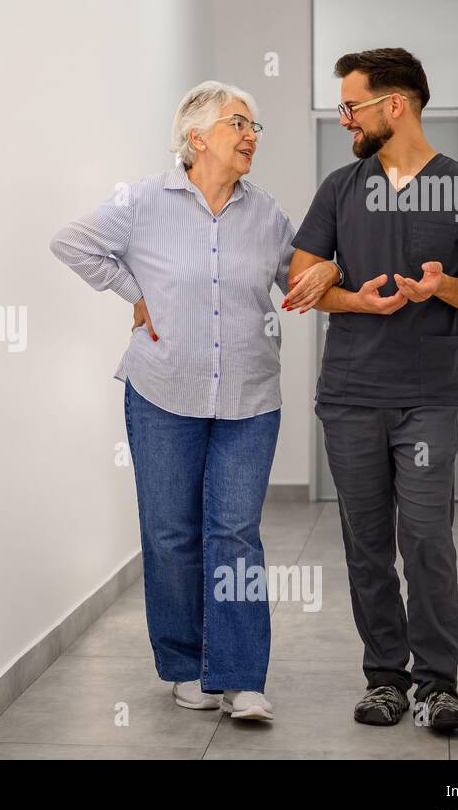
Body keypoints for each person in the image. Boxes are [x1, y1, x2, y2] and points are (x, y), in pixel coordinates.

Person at [50, 81, 338, 721]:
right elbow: (71, 241)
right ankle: (186, 667)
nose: (251, 136)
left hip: (249, 395)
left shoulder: (266, 214)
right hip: (161, 391)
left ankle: (241, 677)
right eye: (240, 122)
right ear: (197, 135)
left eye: (257, 126)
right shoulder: (142, 203)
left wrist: (333, 273)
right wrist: (134, 290)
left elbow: (301, 276)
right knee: (170, 532)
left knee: (235, 533)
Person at [289, 48, 458, 730]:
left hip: (429, 400)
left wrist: (444, 286)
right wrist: (355, 299)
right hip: (350, 395)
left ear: (397, 104)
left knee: (427, 539)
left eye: (352, 105)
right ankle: (385, 677)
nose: (344, 117)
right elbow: (303, 283)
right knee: (366, 542)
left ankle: (437, 684)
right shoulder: (339, 189)